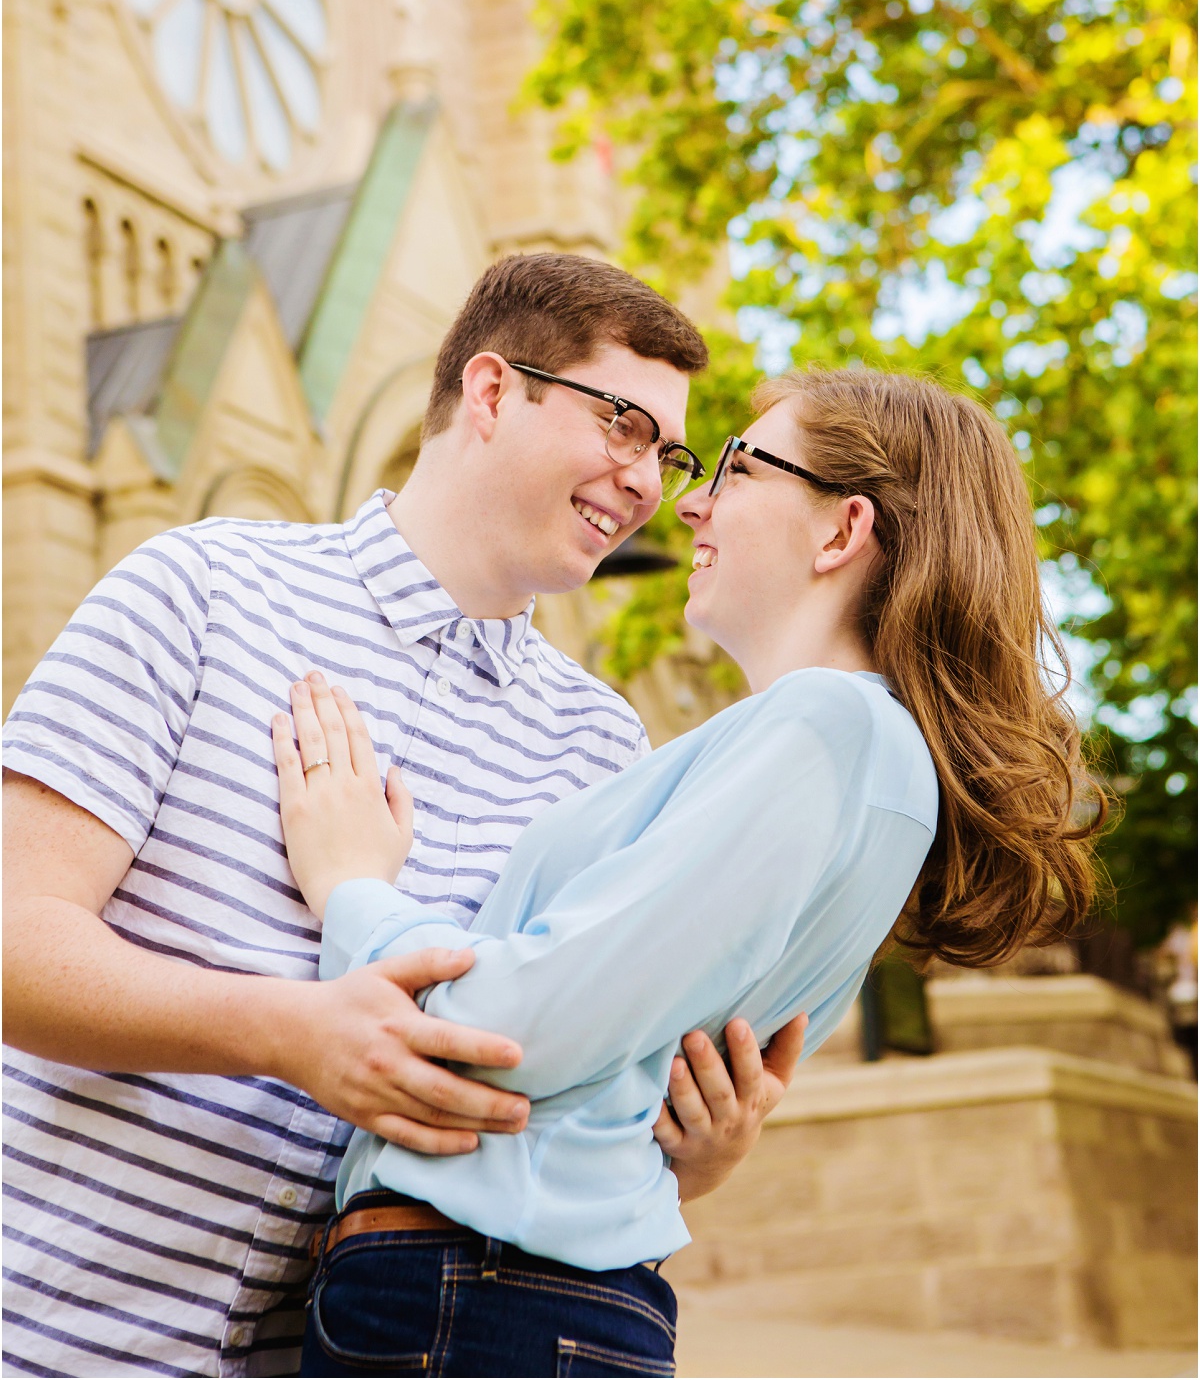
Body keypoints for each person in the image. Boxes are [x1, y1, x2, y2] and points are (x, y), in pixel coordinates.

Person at [2, 254, 808, 1380]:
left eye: (668, 456)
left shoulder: (606, 749)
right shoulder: (196, 586)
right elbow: (13, 944)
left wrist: (688, 1154)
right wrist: (292, 1030)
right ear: (489, 391)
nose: (648, 483)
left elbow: (551, 1103)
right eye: (625, 424)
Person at [273, 364, 1104, 1379]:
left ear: (842, 532)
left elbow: (508, 1038)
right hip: (510, 1298)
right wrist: (692, 1152)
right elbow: (644, 1070)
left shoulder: (831, 726)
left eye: (737, 468)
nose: (692, 500)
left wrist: (354, 884)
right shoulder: (858, 753)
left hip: (477, 1299)